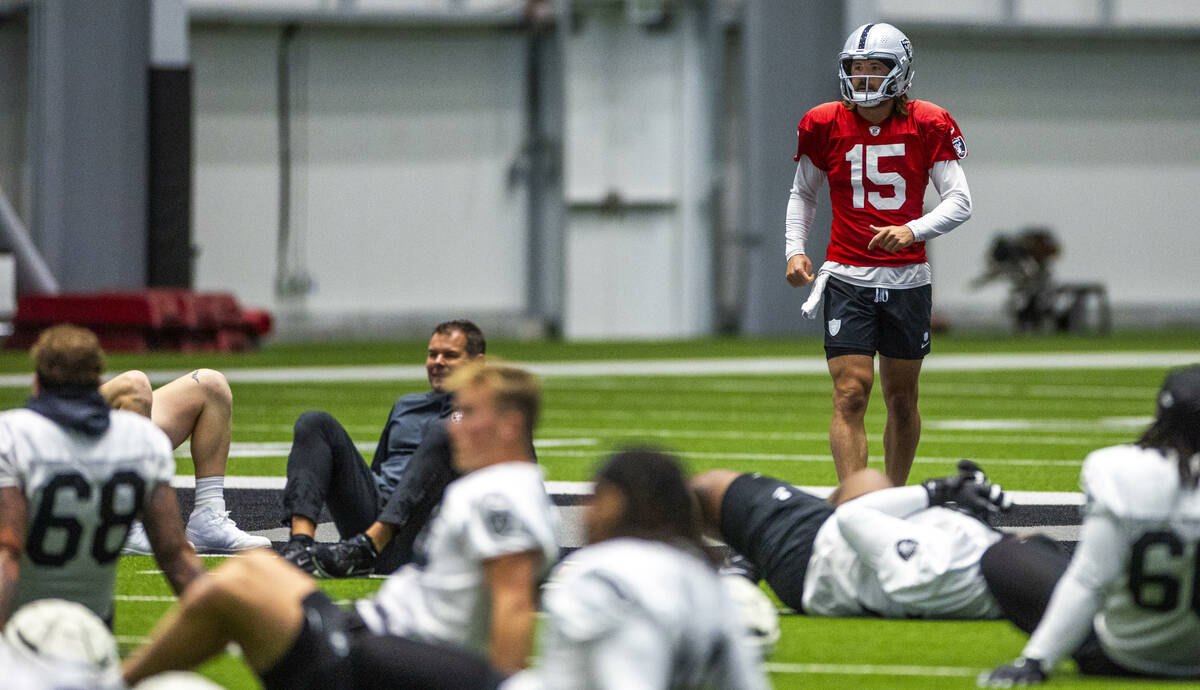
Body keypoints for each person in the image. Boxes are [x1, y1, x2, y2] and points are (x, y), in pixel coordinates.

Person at [121, 362, 560, 689]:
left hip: (378, 658)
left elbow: (513, 609)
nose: (453, 426)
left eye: (468, 414)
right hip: (373, 636)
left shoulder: (506, 495)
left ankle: (111, 683)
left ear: (510, 424)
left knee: (239, 585)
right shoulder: (497, 485)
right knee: (251, 572)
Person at [784, 22, 972, 485]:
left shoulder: (928, 121)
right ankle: (857, 499)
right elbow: (802, 194)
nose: (865, 79)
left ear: (900, 72)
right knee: (850, 392)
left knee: (902, 399)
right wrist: (794, 249)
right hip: (847, 273)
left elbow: (960, 201)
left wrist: (912, 230)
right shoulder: (823, 122)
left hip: (906, 279)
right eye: (857, 69)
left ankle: (893, 494)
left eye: (875, 69)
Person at [979, 365, 1200, 686]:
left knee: (1006, 555)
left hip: (1120, 654)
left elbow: (1090, 580)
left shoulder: (1117, 469)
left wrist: (1036, 661)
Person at [502, 448, 768, 689]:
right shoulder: (707, 579)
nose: (586, 511)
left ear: (615, 502)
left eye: (595, 497)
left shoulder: (601, 573)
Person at [0, 325, 205, 627]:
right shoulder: (142, 440)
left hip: (25, 625)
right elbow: (176, 556)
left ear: (37, 382)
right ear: (98, 380)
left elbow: (8, 552)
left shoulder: (12, 434)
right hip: (94, 629)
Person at [279, 319, 486, 576]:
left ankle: (369, 547)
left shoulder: (489, 414)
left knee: (444, 430)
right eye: (433, 354)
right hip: (372, 520)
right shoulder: (405, 405)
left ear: (477, 364)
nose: (438, 362)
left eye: (450, 355)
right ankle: (299, 548)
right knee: (315, 422)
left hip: (426, 533)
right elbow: (377, 470)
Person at [690, 459, 1009, 619]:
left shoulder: (953, 571)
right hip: (844, 552)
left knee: (706, 487)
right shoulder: (983, 570)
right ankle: (751, 560)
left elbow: (853, 517)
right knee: (868, 480)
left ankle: (739, 564)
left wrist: (942, 490)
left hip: (816, 554)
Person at [106, 368, 271, 554]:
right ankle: (125, 521)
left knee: (210, 383)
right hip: (69, 421)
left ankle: (208, 518)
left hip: (86, 407)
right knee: (133, 384)